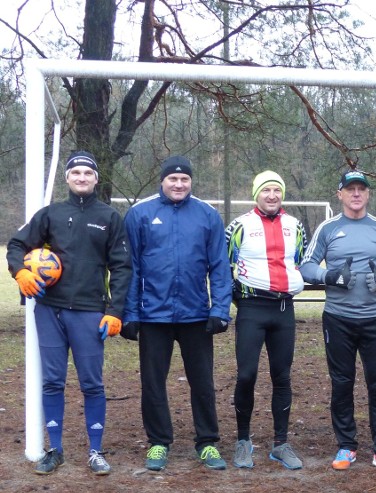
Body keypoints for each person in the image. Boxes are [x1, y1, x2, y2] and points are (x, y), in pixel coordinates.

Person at [7, 150, 131, 476]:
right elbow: (17, 246)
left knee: (92, 383)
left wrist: (115, 311)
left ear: (96, 179)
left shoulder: (109, 217)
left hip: (90, 312)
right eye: (75, 172)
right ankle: (56, 449)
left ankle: (95, 451)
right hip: (50, 310)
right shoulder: (50, 214)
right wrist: (22, 273)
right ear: (67, 178)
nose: (81, 178)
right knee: (52, 381)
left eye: (87, 173)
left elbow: (122, 267)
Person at [122, 155, 232, 471]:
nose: (179, 184)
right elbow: (132, 267)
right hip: (153, 315)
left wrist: (220, 309)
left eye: (184, 179)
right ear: (163, 180)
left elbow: (219, 266)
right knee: (153, 381)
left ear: (191, 182)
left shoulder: (207, 215)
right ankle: (158, 442)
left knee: (203, 381)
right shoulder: (140, 214)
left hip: (196, 315)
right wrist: (130, 313)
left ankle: (207, 442)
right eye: (173, 179)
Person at [299, 170, 376, 474]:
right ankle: (346, 445)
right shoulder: (328, 228)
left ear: (368, 194)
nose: (356, 194)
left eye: (362, 189)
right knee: (342, 382)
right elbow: (306, 266)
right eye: (351, 189)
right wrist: (328, 276)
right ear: (340, 194)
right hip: (338, 318)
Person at [226, 171, 306, 469]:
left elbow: (299, 260)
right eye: (266, 190)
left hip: (284, 310)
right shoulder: (239, 225)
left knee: (282, 376)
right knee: (246, 374)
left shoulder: (295, 225)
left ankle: (280, 444)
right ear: (256, 193)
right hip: (251, 309)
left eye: (277, 190)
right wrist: (237, 298)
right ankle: (243, 441)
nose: (272, 195)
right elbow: (223, 264)